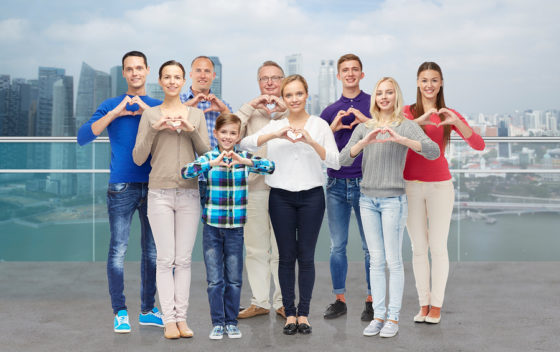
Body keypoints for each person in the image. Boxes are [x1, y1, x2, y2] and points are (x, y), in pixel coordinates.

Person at [339, 77, 439, 338]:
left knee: (393, 261)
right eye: (379, 93)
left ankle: (393, 318)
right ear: (374, 98)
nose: (384, 97)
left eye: (389, 92)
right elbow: (341, 159)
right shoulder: (365, 127)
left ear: (396, 96)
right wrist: (365, 142)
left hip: (393, 200)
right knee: (375, 261)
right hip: (367, 200)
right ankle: (379, 316)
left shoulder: (405, 126)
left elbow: (433, 151)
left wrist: (401, 139)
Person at [241, 74, 340, 335]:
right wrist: (275, 134)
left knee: (306, 258)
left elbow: (335, 161)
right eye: (289, 95)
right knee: (285, 258)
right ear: (283, 99)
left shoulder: (319, 125)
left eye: (299, 94)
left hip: (312, 198)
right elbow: (245, 143)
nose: (294, 99)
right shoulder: (276, 124)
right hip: (280, 197)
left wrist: (310, 141)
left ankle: (304, 313)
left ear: (306, 94)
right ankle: (289, 313)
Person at [77, 51, 163, 333]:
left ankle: (148, 310)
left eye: (139, 68)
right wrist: (117, 112)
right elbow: (83, 137)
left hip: (154, 186)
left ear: (148, 71)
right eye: (130, 69)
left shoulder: (157, 106)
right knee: (118, 250)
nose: (135, 73)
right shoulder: (111, 104)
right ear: (124, 73)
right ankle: (120, 312)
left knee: (151, 252)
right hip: (121, 187)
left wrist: (147, 111)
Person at [132, 60, 210, 339]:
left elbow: (206, 157)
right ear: (161, 81)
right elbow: (138, 157)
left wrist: (191, 130)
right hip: (160, 194)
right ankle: (168, 321)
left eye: (178, 77)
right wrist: (156, 128)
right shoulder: (150, 114)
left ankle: (182, 319)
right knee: (165, 260)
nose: (173, 81)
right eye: (168, 77)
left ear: (183, 80)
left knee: (184, 260)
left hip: (189, 193)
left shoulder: (196, 115)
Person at [403, 62, 485, 324]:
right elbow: (395, 133)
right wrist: (419, 121)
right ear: (417, 82)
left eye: (434, 80)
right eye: (424, 80)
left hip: (440, 186)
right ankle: (423, 304)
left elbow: (478, 144)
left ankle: (436, 305)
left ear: (441, 84)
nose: (429, 85)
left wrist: (457, 124)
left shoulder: (448, 113)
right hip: (410, 187)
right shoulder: (406, 112)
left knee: (438, 247)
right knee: (418, 249)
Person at [182, 113, 275, 340]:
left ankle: (232, 322)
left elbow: (270, 166)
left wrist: (246, 162)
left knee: (234, 279)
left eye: (233, 133)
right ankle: (218, 322)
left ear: (239, 135)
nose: (228, 136)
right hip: (212, 228)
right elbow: (186, 172)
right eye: (224, 132)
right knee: (215, 280)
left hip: (235, 229)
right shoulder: (209, 158)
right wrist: (211, 163)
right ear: (216, 134)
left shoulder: (243, 158)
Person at [319, 54, 373, 321]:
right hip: (336, 184)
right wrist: (333, 127)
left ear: (362, 74)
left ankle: (372, 300)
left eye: (355, 70)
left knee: (369, 247)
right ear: (339, 76)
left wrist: (366, 121)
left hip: (366, 183)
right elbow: (319, 147)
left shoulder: (374, 103)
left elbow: (385, 134)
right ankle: (339, 299)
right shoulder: (329, 110)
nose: (350, 74)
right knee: (337, 247)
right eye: (345, 70)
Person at [235, 60, 287, 320]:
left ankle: (282, 301)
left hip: (284, 190)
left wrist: (285, 109)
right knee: (255, 248)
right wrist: (249, 107)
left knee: (282, 249)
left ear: (283, 81)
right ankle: (259, 302)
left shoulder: (291, 110)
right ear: (258, 83)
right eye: (264, 78)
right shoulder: (250, 113)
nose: (269, 82)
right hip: (254, 188)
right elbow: (231, 136)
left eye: (275, 78)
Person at [180, 56, 232, 206]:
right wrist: (189, 107)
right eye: (198, 71)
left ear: (213, 76)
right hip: (187, 178)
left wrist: (224, 111)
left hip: (216, 178)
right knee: (184, 229)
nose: (203, 75)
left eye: (207, 71)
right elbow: (170, 126)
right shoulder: (179, 102)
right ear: (190, 74)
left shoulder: (223, 105)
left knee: (215, 228)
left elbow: (236, 137)